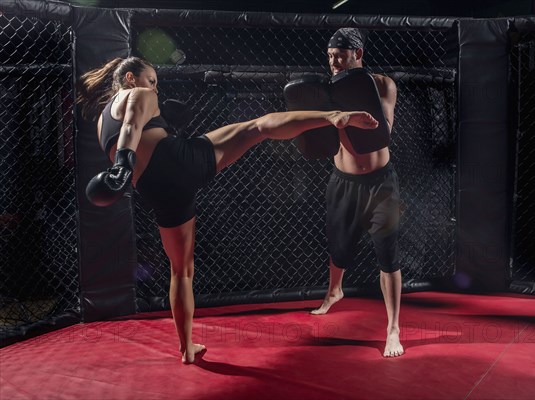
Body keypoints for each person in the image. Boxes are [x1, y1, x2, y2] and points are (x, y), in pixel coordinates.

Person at [77, 56, 379, 364]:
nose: (155, 87)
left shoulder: (101, 120)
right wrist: (122, 165)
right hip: (176, 162)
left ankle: (187, 348)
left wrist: (138, 151)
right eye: (152, 80)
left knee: (181, 271)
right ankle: (332, 115)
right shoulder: (138, 94)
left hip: (156, 190)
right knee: (257, 127)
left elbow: (130, 131)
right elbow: (130, 126)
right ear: (130, 78)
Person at [309, 28, 404, 357]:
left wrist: (350, 115)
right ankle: (335, 291)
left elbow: (384, 133)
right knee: (339, 246)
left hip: (381, 183)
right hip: (343, 181)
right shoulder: (325, 90)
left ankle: (393, 329)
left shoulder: (382, 85)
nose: (333, 62)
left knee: (388, 255)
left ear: (358, 54)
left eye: (340, 55)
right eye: (330, 56)